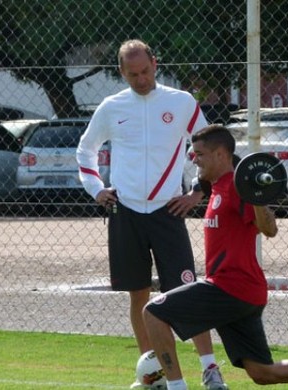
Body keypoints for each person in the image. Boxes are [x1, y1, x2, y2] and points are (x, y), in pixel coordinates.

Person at [142, 124, 288, 390]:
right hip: (242, 291)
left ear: (220, 155)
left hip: (230, 287)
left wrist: (258, 198)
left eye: (200, 154)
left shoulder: (237, 189)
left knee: (153, 313)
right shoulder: (217, 186)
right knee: (263, 373)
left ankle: (176, 387)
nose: (195, 159)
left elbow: (269, 229)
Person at [76, 39, 226, 390]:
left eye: (145, 71)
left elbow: (211, 147)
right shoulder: (112, 107)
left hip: (168, 211)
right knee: (138, 294)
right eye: (133, 74)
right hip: (125, 211)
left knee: (188, 291)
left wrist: (197, 192)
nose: (141, 79)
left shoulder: (181, 102)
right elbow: (86, 151)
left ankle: (210, 369)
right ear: (121, 72)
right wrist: (97, 189)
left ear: (155, 64)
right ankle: (153, 373)